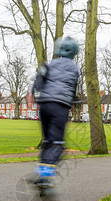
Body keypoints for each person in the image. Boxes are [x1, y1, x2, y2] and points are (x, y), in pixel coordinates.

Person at [30, 36, 79, 187]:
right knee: (57, 142)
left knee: (47, 140)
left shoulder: (50, 64)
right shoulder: (75, 69)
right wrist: (71, 106)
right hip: (60, 106)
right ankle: (45, 176)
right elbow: (72, 90)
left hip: (44, 104)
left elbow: (40, 77)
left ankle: (42, 169)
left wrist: (32, 93)